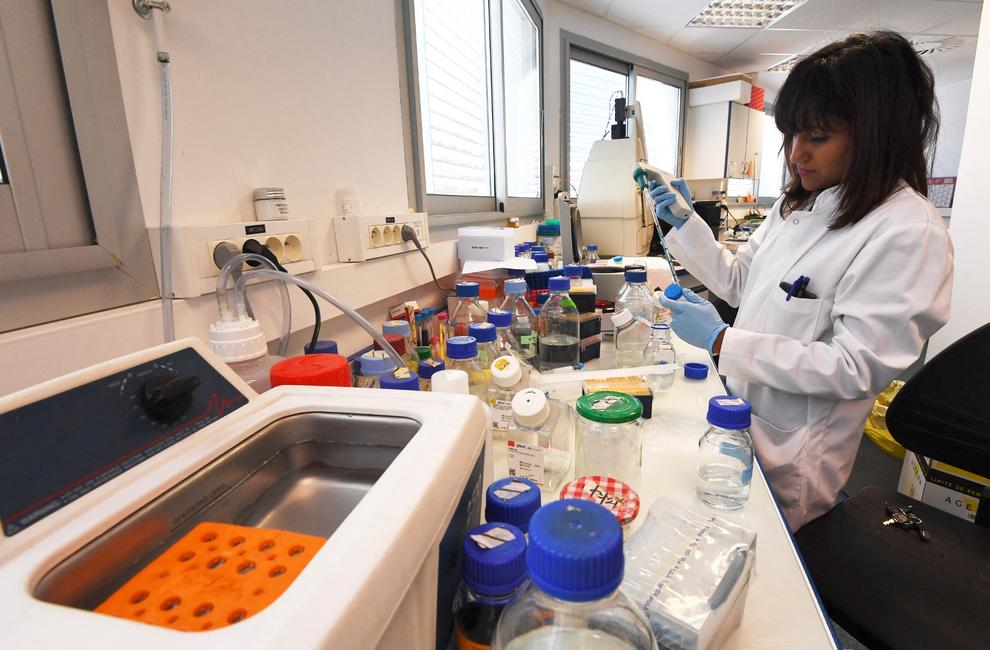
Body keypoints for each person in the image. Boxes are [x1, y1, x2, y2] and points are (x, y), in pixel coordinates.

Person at [644, 31, 954, 531]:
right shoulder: (802, 203)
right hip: (738, 417)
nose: (794, 154)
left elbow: (857, 368)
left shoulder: (907, 231)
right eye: (790, 135)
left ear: (876, 133)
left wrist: (723, 340)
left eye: (817, 137)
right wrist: (684, 223)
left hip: (794, 451)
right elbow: (741, 281)